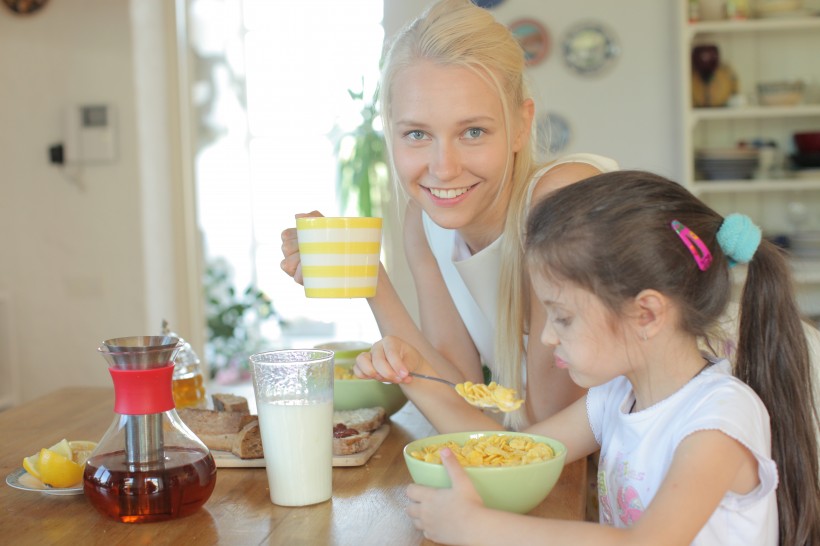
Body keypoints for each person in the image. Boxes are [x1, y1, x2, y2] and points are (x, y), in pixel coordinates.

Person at [357, 170, 820, 545]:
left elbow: (647, 543)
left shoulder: (719, 419)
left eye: (562, 317)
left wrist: (478, 528)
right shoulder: (614, 398)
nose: (545, 339)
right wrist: (409, 371)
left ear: (646, 313)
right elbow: (511, 456)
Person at [280, 0, 618, 430]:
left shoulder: (561, 202)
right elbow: (465, 409)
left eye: (472, 132)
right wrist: (368, 277)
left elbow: (545, 425)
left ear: (520, 125)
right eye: (417, 134)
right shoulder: (423, 226)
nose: (443, 168)